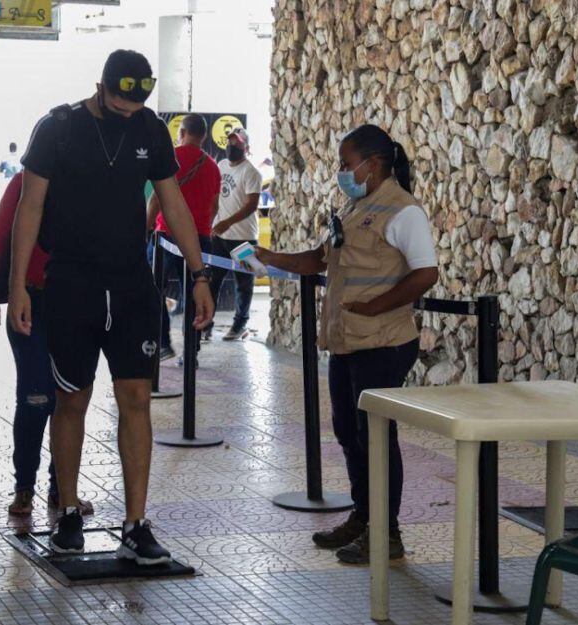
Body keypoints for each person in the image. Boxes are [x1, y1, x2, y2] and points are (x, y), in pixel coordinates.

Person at [8, 50, 214, 565]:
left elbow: (173, 204)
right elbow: (28, 208)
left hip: (130, 286)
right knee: (71, 399)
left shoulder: (150, 130)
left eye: (137, 103)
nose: (128, 111)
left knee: (137, 400)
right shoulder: (57, 127)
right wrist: (17, 287)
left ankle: (136, 523)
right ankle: (70, 512)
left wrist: (200, 274)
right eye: (120, 102)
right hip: (71, 283)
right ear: (100, 86)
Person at [255, 124, 439, 564]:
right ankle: (364, 516)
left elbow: (426, 272)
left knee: (375, 437)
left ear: (371, 165)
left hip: (383, 342)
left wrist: (377, 307)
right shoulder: (357, 206)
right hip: (347, 340)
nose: (341, 171)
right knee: (349, 433)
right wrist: (267, 258)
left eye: (345, 163)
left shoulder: (403, 210)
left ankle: (387, 534)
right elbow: (319, 259)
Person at [0, 171, 94, 517]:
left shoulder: (87, 182)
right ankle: (24, 487)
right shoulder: (24, 182)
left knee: (69, 397)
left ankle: (62, 489)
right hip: (31, 301)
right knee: (34, 397)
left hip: (75, 305)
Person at [146, 113, 221, 362]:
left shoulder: (172, 157)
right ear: (204, 136)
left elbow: (156, 199)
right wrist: (204, 228)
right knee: (196, 294)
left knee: (152, 288)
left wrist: (146, 231)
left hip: (166, 237)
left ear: (182, 133)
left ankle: (163, 342)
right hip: (200, 238)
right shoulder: (212, 166)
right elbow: (214, 206)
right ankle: (191, 353)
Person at [208, 128, 262, 342]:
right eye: (230, 143)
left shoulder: (251, 172)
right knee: (213, 281)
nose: (232, 147)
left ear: (246, 148)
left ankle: (240, 325)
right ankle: (206, 324)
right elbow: (215, 198)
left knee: (243, 284)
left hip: (244, 237)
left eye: (237, 144)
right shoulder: (220, 166)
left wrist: (227, 222)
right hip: (220, 236)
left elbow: (251, 205)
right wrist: (212, 223)